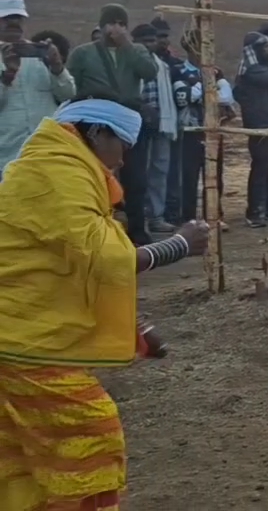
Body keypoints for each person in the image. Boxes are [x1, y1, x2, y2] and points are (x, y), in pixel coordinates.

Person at [0, 97, 209, 511]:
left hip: (27, 333)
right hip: (24, 340)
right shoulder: (55, 173)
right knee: (89, 436)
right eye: (123, 146)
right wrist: (179, 245)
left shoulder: (60, 168)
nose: (123, 159)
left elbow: (70, 263)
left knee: (28, 455)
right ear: (97, 132)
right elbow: (104, 257)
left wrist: (133, 326)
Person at [66, 4, 159, 245]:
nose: (115, 28)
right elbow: (70, 86)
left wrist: (126, 44)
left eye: (121, 23)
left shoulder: (137, 51)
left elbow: (150, 72)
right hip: (96, 125)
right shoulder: (83, 53)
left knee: (135, 178)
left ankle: (137, 230)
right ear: (101, 26)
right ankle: (99, 231)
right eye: (111, 22)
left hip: (128, 121)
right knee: (97, 176)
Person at [0, 0, 76, 178]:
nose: (14, 23)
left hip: (45, 152)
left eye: (18, 18)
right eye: (8, 18)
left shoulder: (40, 55)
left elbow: (68, 96)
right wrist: (7, 76)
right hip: (6, 155)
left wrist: (57, 67)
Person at [170, 30, 234, 225]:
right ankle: (188, 219)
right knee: (189, 176)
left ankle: (213, 215)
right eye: (200, 46)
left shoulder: (216, 71)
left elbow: (226, 98)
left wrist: (200, 90)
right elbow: (183, 98)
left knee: (214, 175)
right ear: (190, 48)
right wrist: (207, 88)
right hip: (191, 131)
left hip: (213, 130)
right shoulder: (179, 70)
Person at [233, 30, 268, 227]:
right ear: (254, 50)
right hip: (260, 127)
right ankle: (256, 211)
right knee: (262, 169)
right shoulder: (251, 70)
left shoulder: (263, 67)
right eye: (264, 46)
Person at [132, 23, 180, 234]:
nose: (149, 45)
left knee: (159, 171)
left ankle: (156, 217)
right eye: (144, 41)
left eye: (152, 40)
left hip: (160, 123)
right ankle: (137, 216)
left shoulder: (162, 66)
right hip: (135, 123)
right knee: (136, 172)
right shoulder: (128, 63)